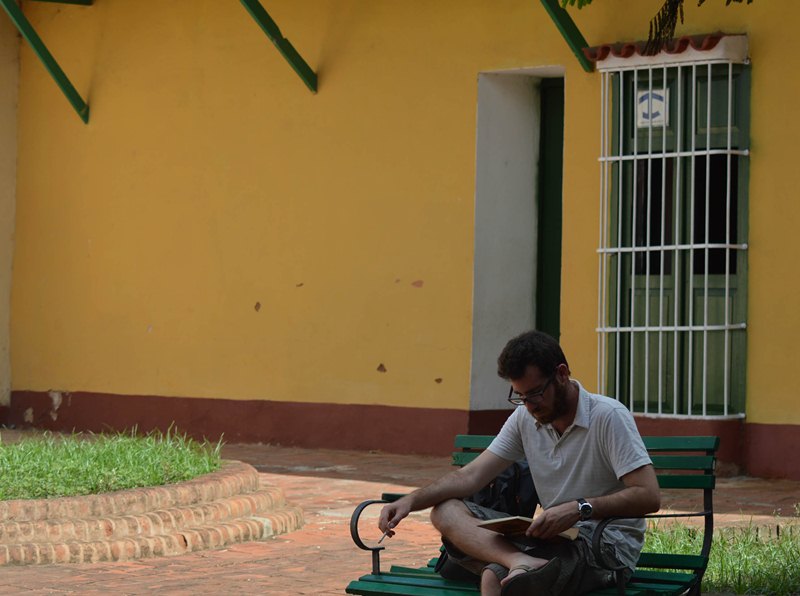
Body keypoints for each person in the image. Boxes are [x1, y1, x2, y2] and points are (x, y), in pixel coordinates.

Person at [378, 330, 661, 595]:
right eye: (520, 396)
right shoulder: (526, 417)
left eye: (535, 393)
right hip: (549, 538)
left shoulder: (608, 416)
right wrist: (409, 501)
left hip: (603, 546)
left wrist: (580, 508)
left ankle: (520, 564)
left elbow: (648, 496)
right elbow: (470, 477)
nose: (529, 405)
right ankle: (518, 560)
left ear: (561, 374)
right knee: (445, 510)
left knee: (495, 578)